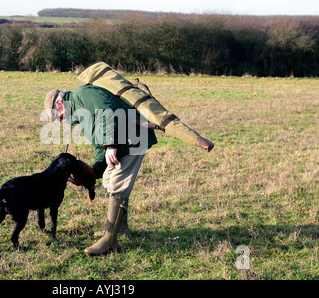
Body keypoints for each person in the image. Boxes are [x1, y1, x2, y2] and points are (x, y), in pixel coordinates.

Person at [44, 85, 213, 256]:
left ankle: (110, 241)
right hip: (121, 144)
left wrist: (110, 144)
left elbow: (108, 111)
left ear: (60, 103)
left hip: (133, 140)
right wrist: (94, 173)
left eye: (56, 115)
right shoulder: (81, 116)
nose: (59, 120)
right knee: (108, 180)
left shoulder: (83, 95)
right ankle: (120, 229)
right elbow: (99, 145)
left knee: (118, 184)